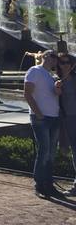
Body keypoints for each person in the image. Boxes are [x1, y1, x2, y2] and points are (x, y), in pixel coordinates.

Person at [24, 50, 64, 199]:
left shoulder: (50, 76)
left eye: (57, 59)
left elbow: (53, 95)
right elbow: (27, 93)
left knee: (51, 153)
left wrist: (57, 89)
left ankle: (48, 184)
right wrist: (38, 114)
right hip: (41, 118)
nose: (55, 60)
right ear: (45, 56)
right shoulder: (34, 71)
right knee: (44, 151)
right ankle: (39, 184)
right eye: (53, 56)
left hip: (54, 117)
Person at [56, 53, 76, 196]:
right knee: (75, 151)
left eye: (67, 62)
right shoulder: (57, 80)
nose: (65, 65)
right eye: (62, 62)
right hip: (68, 119)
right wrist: (56, 90)